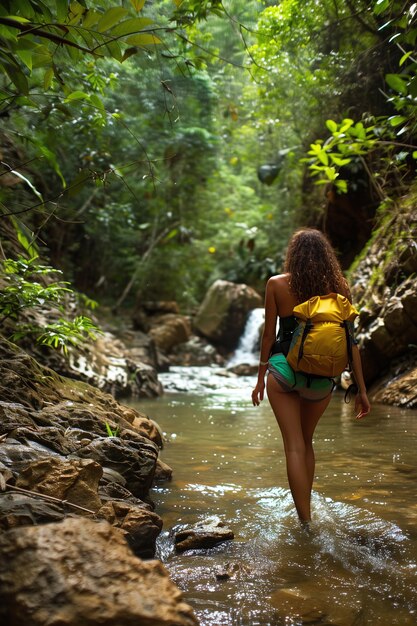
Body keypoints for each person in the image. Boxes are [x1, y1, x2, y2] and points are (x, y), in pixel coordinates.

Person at [251, 228, 370, 524]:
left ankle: (306, 521)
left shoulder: (277, 284)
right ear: (326, 258)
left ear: (294, 255)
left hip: (283, 374)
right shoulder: (341, 288)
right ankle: (309, 512)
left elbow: (268, 336)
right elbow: (350, 341)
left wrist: (259, 379)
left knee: (293, 446)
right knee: (307, 443)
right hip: (320, 381)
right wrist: (362, 391)